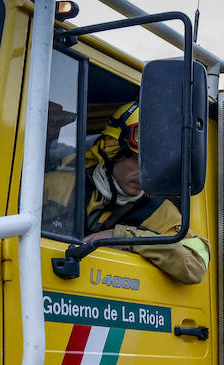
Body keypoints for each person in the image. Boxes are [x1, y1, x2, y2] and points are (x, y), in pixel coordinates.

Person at [83, 101, 210, 285]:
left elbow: (196, 265)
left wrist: (121, 236)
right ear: (111, 153)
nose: (145, 174)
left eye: (152, 165)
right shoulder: (59, 184)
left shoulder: (159, 211)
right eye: (137, 160)